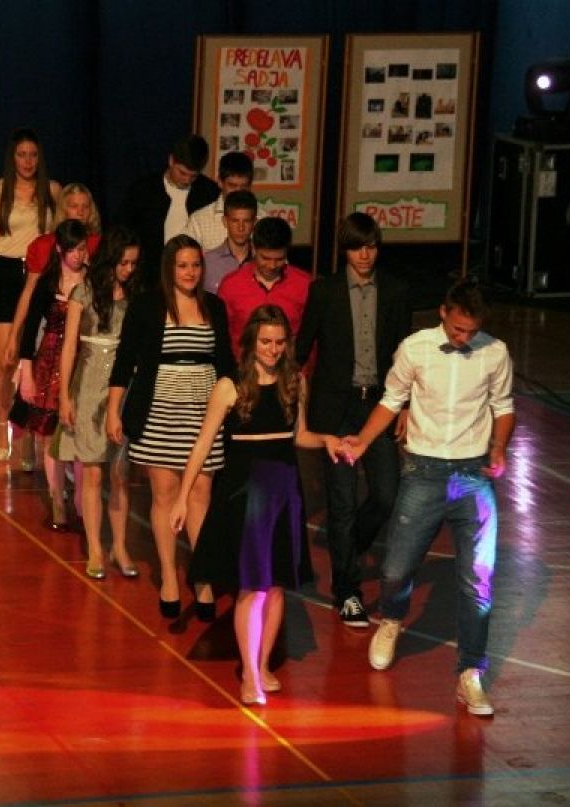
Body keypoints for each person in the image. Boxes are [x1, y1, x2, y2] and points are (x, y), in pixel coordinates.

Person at [340, 278, 514, 717]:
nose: (464, 338)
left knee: (478, 581)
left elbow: (503, 406)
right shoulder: (415, 349)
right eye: (457, 329)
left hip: (473, 475)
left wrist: (498, 447)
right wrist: (363, 441)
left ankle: (470, 673)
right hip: (423, 472)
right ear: (443, 313)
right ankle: (392, 619)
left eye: (471, 331)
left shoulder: (495, 353)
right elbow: (391, 399)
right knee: (396, 569)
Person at [169, 305, 337, 706]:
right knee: (251, 586)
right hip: (246, 493)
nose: (273, 350)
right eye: (265, 342)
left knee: (276, 586)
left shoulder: (295, 382)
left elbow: (299, 435)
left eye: (279, 342)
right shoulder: (229, 386)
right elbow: (202, 444)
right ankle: (248, 670)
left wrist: (327, 439)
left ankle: (262, 665)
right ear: (250, 342)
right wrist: (182, 497)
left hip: (285, 492)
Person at [107, 235, 235, 619]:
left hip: (204, 413)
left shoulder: (214, 306)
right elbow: (125, 360)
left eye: (195, 265)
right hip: (159, 411)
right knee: (164, 494)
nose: (190, 272)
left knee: (201, 492)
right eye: (182, 265)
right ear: (169, 268)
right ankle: (168, 575)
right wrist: (114, 410)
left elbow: (226, 362)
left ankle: (203, 577)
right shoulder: (147, 305)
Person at [295, 213, 411, 628]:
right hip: (335, 410)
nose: (365, 255)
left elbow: (404, 354)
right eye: (357, 247)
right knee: (341, 501)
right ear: (344, 250)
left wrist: (406, 405)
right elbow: (303, 347)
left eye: (372, 246)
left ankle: (347, 548)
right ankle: (347, 591)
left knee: (386, 494)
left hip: (377, 406)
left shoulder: (395, 291)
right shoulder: (324, 291)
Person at [0, 128, 59, 462]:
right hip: (4, 274)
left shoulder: (52, 191)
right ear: (12, 158)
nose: (28, 161)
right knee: (6, 359)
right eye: (22, 155)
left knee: (34, 358)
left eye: (33, 155)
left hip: (40, 275)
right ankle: (1, 421)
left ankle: (30, 431)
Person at [57, 226, 140, 578]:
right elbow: (69, 348)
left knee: (120, 473)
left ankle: (120, 546)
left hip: (123, 387)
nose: (129, 269)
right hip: (89, 386)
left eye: (134, 263)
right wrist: (64, 396)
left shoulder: (136, 297)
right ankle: (94, 547)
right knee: (91, 472)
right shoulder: (84, 293)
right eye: (123, 262)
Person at [1, 182, 100, 470]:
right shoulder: (47, 269)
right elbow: (33, 316)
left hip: (84, 354)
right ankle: (50, 473)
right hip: (51, 352)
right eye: (73, 206)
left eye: (85, 207)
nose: (80, 212)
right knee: (45, 418)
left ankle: (74, 475)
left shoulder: (95, 269)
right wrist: (21, 355)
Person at [16, 220, 89, 530]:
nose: (78, 255)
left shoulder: (93, 281)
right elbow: (31, 327)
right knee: (50, 436)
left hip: (83, 362)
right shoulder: (48, 283)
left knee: (82, 435)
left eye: (82, 249)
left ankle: (82, 501)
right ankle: (57, 499)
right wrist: (27, 371)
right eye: (72, 249)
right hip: (50, 362)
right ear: (59, 249)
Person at [115, 134, 219, 288]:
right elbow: (122, 232)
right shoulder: (143, 190)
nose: (187, 180)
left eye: (193, 176)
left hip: (192, 277)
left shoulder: (208, 192)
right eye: (182, 173)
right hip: (149, 278)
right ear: (171, 161)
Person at [217, 216, 311, 346]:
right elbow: (222, 336)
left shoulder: (304, 284)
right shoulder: (230, 285)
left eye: (279, 259)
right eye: (265, 258)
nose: (272, 266)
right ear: (253, 249)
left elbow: (310, 338)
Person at [183, 151, 254, 252]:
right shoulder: (198, 221)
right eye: (232, 185)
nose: (238, 192)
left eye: (244, 186)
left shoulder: (263, 219)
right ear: (220, 182)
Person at [202, 190, 258, 295]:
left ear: (254, 222)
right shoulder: (207, 262)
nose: (241, 228)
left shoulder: (264, 261)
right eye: (235, 221)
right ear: (225, 221)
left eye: (246, 221)